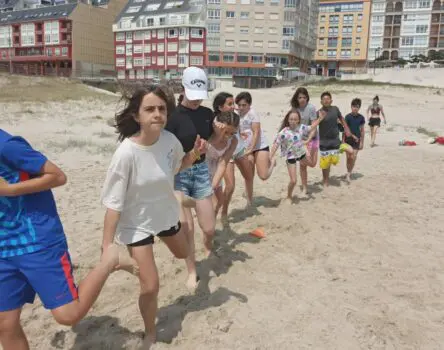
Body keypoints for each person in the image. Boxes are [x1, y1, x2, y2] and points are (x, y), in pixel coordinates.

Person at [0, 130, 138, 350]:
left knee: (68, 314)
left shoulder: (6, 145)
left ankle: (109, 262)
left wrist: (9, 190)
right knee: (4, 323)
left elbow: (57, 176)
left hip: (37, 241)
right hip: (3, 249)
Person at [101, 84, 204, 349]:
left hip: (166, 213)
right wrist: (107, 247)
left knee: (183, 253)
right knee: (150, 286)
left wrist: (193, 155)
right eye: (150, 109)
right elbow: (113, 205)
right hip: (136, 224)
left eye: (161, 109)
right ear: (137, 116)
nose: (157, 114)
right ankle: (149, 332)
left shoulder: (170, 141)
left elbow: (177, 167)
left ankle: (181, 202)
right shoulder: (126, 153)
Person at [165, 66, 216, 292]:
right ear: (183, 89)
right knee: (188, 229)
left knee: (209, 228)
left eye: (200, 97)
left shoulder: (207, 115)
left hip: (202, 172)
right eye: (192, 97)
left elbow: (217, 138)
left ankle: (208, 244)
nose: (196, 102)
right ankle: (192, 271)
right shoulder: (172, 118)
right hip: (179, 175)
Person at [212, 92, 254, 225]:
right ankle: (222, 212)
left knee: (249, 176)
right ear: (220, 107)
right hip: (226, 155)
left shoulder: (236, 118)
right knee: (230, 186)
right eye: (229, 104)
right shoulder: (215, 122)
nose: (233, 107)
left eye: (233, 104)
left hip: (239, 149)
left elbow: (237, 131)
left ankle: (250, 201)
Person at [270, 109, 325, 203]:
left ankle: (303, 169)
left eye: (295, 119)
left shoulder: (301, 127)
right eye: (291, 119)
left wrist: (320, 119)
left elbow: (311, 127)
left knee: (312, 164)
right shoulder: (284, 132)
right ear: (288, 120)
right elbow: (276, 144)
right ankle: (289, 196)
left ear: (298, 120)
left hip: (300, 153)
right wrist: (270, 156)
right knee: (293, 181)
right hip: (291, 156)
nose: (293, 121)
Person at [235, 91, 276, 183]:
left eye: (244, 105)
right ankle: (249, 196)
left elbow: (256, 132)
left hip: (259, 146)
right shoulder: (236, 113)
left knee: (263, 176)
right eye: (239, 105)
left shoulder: (252, 113)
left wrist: (251, 149)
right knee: (249, 175)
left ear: (249, 104)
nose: (241, 107)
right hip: (246, 147)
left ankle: (272, 162)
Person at [317, 91, 354, 187]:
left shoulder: (335, 109)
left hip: (336, 142)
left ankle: (348, 173)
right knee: (326, 164)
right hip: (324, 143)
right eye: (324, 99)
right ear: (321, 101)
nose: (326, 100)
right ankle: (325, 181)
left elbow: (342, 119)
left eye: (328, 99)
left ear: (331, 100)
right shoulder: (319, 112)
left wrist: (347, 129)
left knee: (350, 151)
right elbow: (313, 124)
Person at [206, 109, 239, 215]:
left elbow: (223, 162)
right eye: (226, 132)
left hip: (216, 169)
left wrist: (213, 186)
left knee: (220, 201)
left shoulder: (233, 140)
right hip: (201, 169)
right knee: (212, 203)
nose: (228, 136)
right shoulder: (209, 133)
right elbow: (209, 144)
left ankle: (212, 225)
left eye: (232, 133)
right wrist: (219, 133)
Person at [343, 98, 365, 182]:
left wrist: (362, 142)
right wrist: (343, 140)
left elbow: (362, 131)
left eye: (357, 107)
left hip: (357, 141)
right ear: (351, 106)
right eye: (353, 106)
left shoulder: (361, 118)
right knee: (348, 157)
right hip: (348, 140)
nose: (355, 108)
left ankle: (348, 174)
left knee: (353, 157)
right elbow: (345, 129)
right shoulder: (348, 117)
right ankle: (348, 172)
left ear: (359, 108)